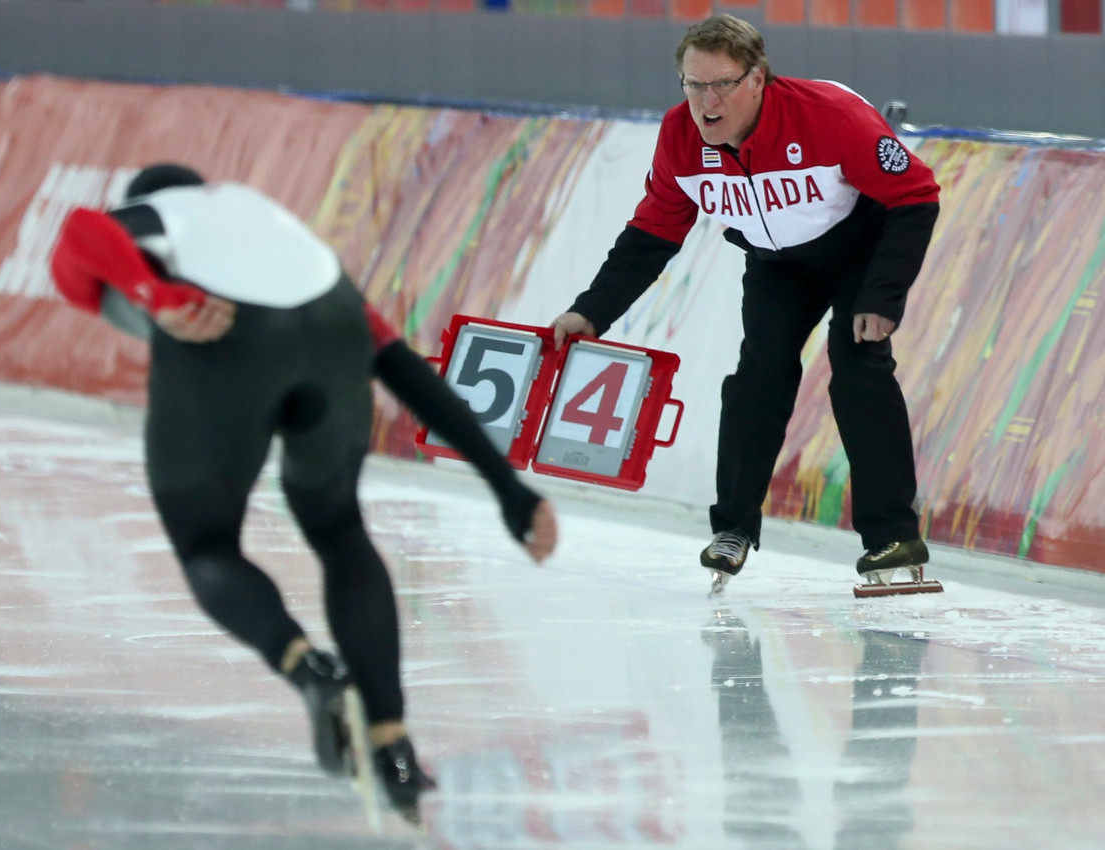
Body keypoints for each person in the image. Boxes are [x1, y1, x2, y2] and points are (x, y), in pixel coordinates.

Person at [49, 163, 558, 821]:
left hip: (223, 336)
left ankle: (307, 667)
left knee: (206, 542)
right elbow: (401, 366)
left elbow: (81, 233)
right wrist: (508, 490)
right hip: (333, 320)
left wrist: (159, 296)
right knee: (340, 529)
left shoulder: (158, 216)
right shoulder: (266, 227)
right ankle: (392, 743)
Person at [550, 15, 939, 594]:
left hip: (858, 245)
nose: (706, 102)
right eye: (693, 84)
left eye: (722, 85)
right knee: (759, 376)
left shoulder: (829, 117)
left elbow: (916, 195)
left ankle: (893, 536)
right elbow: (652, 233)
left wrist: (882, 297)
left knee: (858, 365)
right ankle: (732, 527)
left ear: (758, 79)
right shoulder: (681, 136)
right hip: (774, 262)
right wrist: (590, 311)